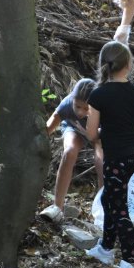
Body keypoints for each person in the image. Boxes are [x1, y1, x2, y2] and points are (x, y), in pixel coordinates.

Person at [84, 41, 134, 268]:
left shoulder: (98, 95)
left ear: (104, 66)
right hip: (133, 156)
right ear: (129, 65)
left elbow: (91, 135)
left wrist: (105, 129)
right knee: (110, 199)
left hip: (114, 158)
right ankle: (106, 247)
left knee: (120, 208)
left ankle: (129, 265)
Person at [41, 78, 104, 223]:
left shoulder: (102, 109)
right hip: (73, 128)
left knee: (101, 162)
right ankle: (57, 206)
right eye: (78, 106)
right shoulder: (67, 105)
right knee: (69, 152)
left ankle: (103, 209)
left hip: (98, 133)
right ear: (73, 100)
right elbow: (47, 129)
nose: (81, 112)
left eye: (86, 108)